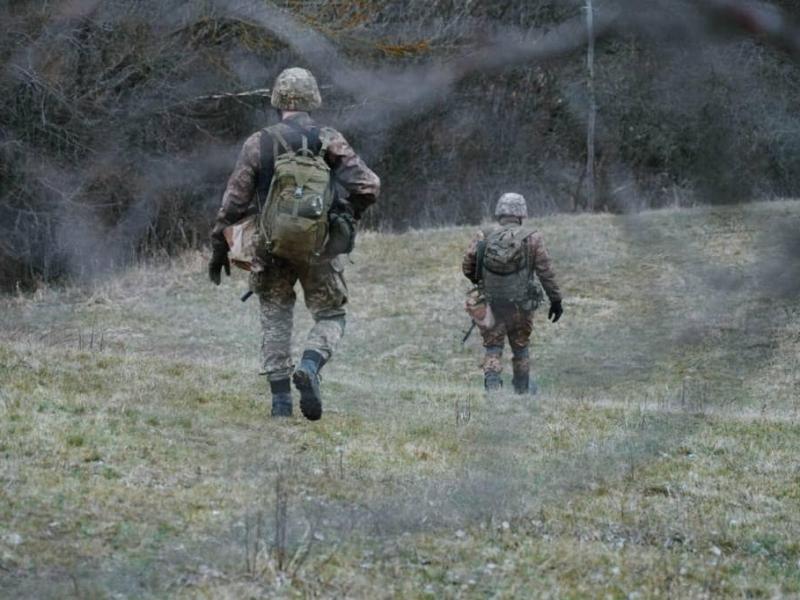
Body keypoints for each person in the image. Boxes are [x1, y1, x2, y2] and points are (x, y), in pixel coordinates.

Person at [208, 67, 380, 420]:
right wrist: (345, 213)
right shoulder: (329, 139)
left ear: (276, 100)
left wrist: (219, 246)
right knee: (331, 314)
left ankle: (281, 405)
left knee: (275, 317)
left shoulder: (259, 143)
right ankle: (310, 364)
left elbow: (234, 202)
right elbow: (369, 186)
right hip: (320, 247)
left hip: (269, 247)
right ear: (313, 99)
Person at [462, 193, 563, 394]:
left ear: (499, 211)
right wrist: (555, 300)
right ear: (521, 213)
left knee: (493, 347)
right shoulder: (533, 237)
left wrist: (481, 281)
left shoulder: (484, 234)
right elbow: (545, 272)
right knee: (520, 347)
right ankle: (522, 390)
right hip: (521, 305)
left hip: (490, 302)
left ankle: (492, 387)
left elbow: (467, 266)